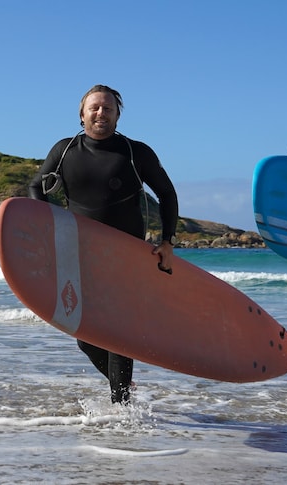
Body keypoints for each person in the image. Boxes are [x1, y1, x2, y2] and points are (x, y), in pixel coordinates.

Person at [28, 84, 179, 404]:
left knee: (118, 331)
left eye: (108, 108)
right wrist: (48, 229)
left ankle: (122, 407)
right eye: (94, 107)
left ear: (117, 115)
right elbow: (35, 188)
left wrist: (167, 240)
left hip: (126, 253)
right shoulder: (65, 150)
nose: (101, 112)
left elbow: (167, 193)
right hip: (80, 252)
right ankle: (122, 387)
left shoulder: (136, 152)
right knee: (86, 338)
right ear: (82, 114)